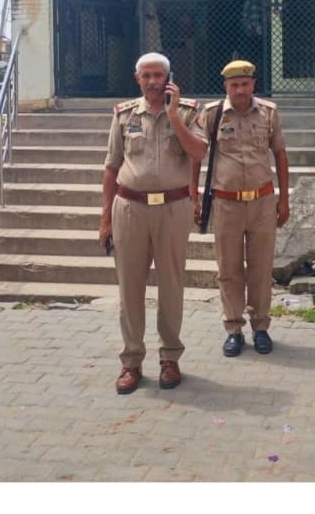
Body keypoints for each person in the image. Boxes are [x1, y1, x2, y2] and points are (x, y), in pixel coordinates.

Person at [100, 52, 207, 394]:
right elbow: (111, 167)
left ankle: (170, 358)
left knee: (171, 286)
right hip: (130, 209)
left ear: (169, 77)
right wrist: (105, 218)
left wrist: (174, 116)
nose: (152, 81)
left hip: (173, 209)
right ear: (137, 79)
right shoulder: (124, 114)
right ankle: (131, 361)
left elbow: (199, 152)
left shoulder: (189, 111)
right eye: (146, 76)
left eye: (158, 75)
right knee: (130, 288)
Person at [193, 59, 290, 357]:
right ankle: (233, 329)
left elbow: (280, 154)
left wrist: (283, 199)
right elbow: (196, 156)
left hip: (262, 202)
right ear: (225, 86)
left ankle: (261, 327)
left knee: (261, 269)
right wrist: (193, 196)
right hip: (226, 203)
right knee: (229, 269)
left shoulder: (269, 113)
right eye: (234, 85)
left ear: (253, 84)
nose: (240, 90)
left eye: (245, 84)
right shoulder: (212, 114)